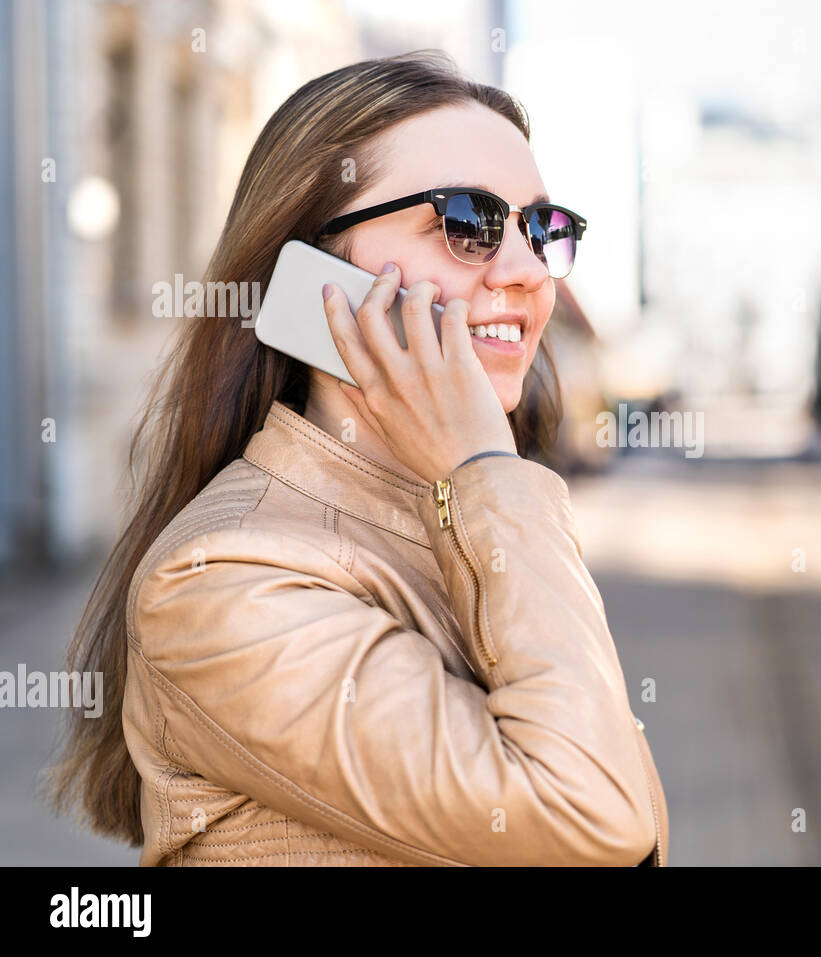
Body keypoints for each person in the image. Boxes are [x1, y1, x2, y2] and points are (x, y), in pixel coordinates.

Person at [45, 50, 668, 867]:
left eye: (544, 229)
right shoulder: (224, 581)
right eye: (466, 221)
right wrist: (484, 469)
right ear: (310, 271)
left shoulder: (466, 524)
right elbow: (589, 815)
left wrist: (479, 486)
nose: (524, 272)